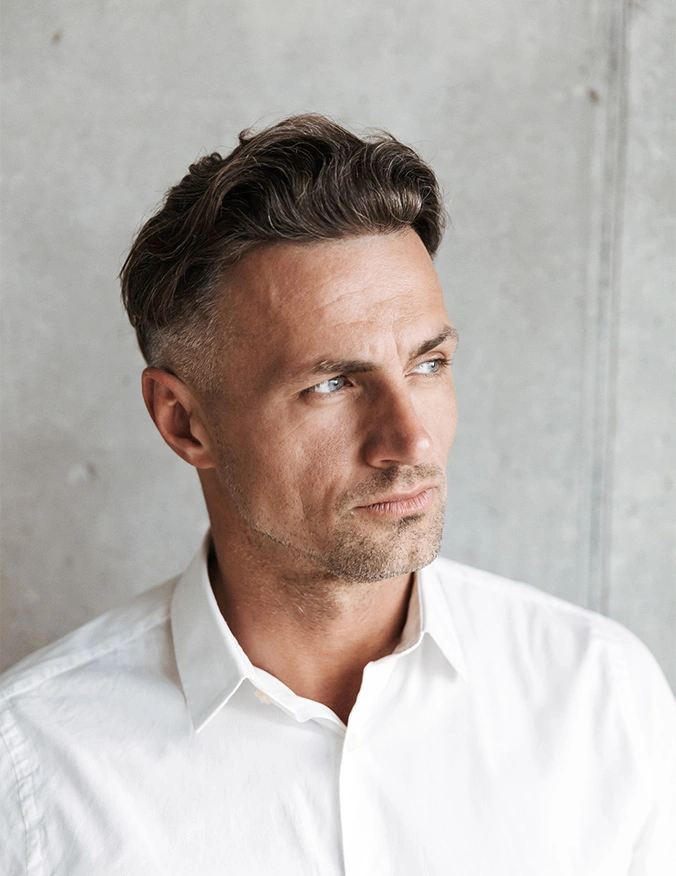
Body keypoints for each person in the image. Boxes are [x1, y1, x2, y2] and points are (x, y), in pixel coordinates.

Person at [1, 114, 674, 875]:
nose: (413, 442)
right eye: (331, 384)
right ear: (185, 421)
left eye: (428, 365)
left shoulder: (601, 699)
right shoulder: (32, 769)